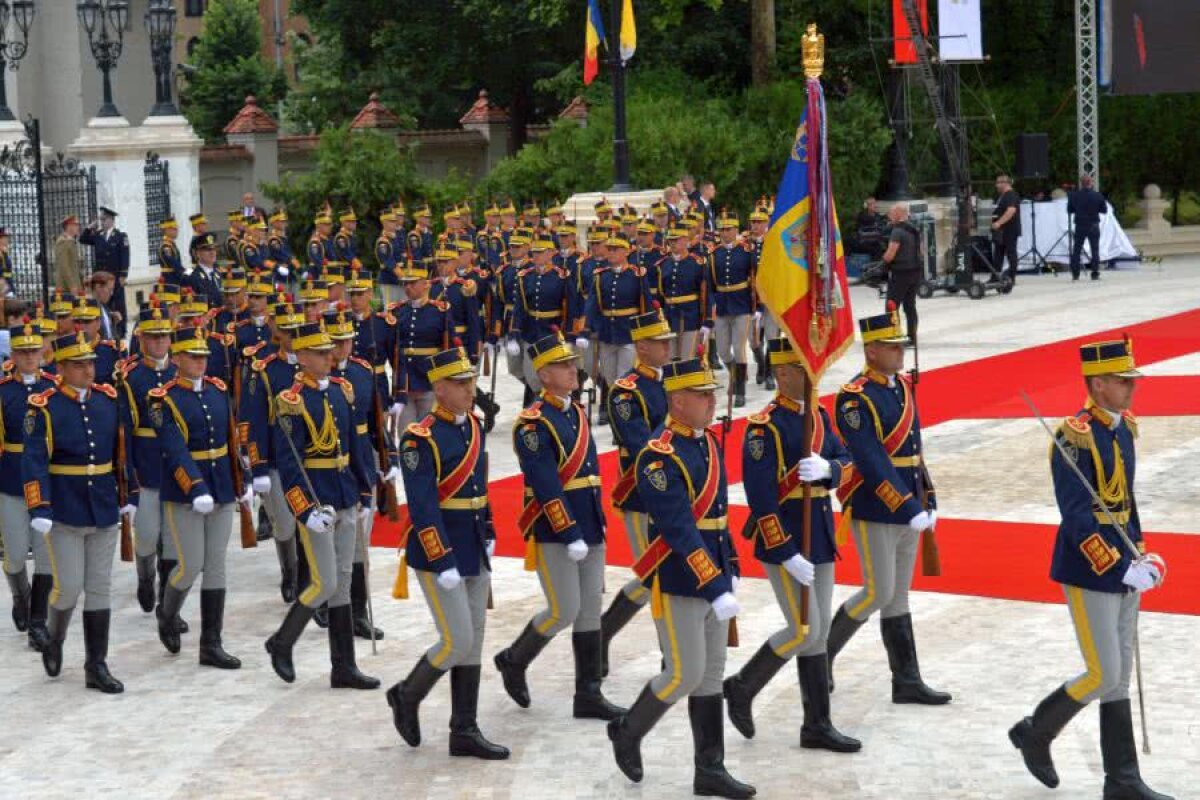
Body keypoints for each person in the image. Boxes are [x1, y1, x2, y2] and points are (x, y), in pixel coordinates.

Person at [1009, 338, 1173, 800]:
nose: (1132, 388)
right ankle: (1036, 732)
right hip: (1089, 567)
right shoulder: (1073, 435)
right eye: (1124, 381)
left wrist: (1141, 555)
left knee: (1118, 676)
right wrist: (1119, 566)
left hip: (1125, 562)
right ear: (1098, 384)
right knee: (1102, 673)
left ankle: (1121, 781)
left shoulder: (1122, 429)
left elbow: (1126, 502)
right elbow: (1078, 516)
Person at [608, 354, 754, 800]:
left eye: (712, 393)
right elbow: (678, 527)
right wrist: (713, 583)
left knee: (711, 673)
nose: (712, 401)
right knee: (683, 673)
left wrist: (730, 568)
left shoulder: (705, 441)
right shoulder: (657, 456)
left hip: (713, 567)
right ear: (676, 400)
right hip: (679, 574)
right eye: (702, 394)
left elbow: (718, 515)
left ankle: (709, 768)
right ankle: (628, 729)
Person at [724, 336, 860, 752]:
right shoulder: (764, 428)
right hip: (785, 539)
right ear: (782, 374)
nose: (811, 377)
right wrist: (785, 553)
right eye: (802, 370)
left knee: (815, 635)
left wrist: (830, 471)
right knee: (806, 629)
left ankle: (816, 725)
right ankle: (743, 686)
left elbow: (848, 460)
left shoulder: (817, 416)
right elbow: (761, 499)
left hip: (817, 533)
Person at [386, 343, 509, 760]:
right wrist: (442, 560)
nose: (469, 389)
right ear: (438, 388)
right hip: (440, 554)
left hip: (473, 545)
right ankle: (406, 694)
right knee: (456, 639)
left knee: (472, 642)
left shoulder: (473, 426)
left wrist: (489, 528)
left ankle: (464, 729)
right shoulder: (419, 439)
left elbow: (481, 486)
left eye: (470, 381)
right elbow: (422, 507)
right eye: (459, 384)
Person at [494, 330, 623, 722]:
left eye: (572, 364)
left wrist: (592, 526)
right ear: (543, 374)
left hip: (590, 521)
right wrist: (569, 532)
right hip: (557, 528)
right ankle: (514, 659)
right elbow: (546, 483)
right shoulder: (533, 424)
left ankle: (588, 693)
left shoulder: (575, 412)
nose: (573, 370)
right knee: (564, 609)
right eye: (564, 366)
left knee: (589, 611)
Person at [826, 312, 950, 706]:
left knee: (898, 597)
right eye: (893, 347)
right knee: (877, 591)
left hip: (910, 501)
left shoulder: (902, 387)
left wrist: (926, 496)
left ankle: (907, 679)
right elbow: (870, 457)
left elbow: (914, 449)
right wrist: (906, 504)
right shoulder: (854, 396)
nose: (900, 353)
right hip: (876, 504)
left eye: (901, 346)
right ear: (872, 350)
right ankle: (819, 658)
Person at [265, 321, 379, 689]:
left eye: (329, 351)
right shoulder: (291, 401)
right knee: (324, 581)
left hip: (345, 492)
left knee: (343, 582)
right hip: (317, 498)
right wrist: (303, 509)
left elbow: (354, 444)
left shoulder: (342, 391)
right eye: (319, 352)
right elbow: (289, 461)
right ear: (300, 357)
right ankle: (282, 642)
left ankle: (343, 666)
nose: (329, 357)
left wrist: (364, 491)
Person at [23, 332, 137, 693]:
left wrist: (128, 492)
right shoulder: (44, 406)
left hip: (102, 503)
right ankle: (55, 637)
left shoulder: (108, 401)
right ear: (60, 368)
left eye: (89, 362)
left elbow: (123, 451)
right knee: (69, 588)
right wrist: (39, 504)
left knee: (99, 587)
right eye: (78, 364)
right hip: (65, 506)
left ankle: (96, 664)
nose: (88, 369)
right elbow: (34, 460)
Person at [148, 324, 246, 669]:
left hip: (220, 487)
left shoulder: (218, 391)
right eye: (193, 357)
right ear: (176, 359)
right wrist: (196, 487)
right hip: (185, 491)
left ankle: (211, 643)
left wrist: (241, 478)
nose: (201, 362)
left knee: (216, 564)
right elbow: (174, 449)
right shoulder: (163, 400)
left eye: (203, 356)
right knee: (190, 565)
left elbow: (230, 439)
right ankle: (167, 611)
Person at [599, 306, 674, 676]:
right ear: (642, 348)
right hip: (642, 493)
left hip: (675, 491)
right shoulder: (625, 392)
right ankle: (666, 652)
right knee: (654, 576)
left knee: (661, 575)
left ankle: (667, 650)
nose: (668, 348)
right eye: (661, 343)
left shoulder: (672, 380)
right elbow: (642, 444)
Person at [326, 309, 390, 642]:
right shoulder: (315, 380)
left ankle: (358, 611)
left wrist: (386, 456)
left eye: (347, 340)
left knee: (359, 547)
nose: (343, 348)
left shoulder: (364, 372)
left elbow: (376, 417)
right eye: (336, 342)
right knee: (332, 546)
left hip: (362, 458)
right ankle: (330, 602)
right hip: (329, 465)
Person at [119, 304, 180, 622]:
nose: (158, 343)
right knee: (146, 535)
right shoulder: (130, 377)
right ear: (141, 339)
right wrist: (129, 475)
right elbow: (124, 432)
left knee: (173, 539)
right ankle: (145, 576)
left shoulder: (180, 372)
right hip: (146, 466)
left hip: (176, 467)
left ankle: (168, 605)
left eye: (163, 337)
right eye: (152, 337)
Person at [242, 297, 304, 603]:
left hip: (308, 461)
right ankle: (289, 572)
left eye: (298, 331)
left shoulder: (314, 366)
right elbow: (253, 421)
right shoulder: (263, 371)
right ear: (277, 333)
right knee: (284, 521)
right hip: (278, 462)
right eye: (288, 332)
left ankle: (308, 574)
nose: (294, 338)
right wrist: (258, 467)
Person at [0, 322, 57, 651]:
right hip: (11, 481)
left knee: (47, 557)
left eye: (33, 352)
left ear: (42, 353)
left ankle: (38, 622)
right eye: (22, 352)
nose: (29, 358)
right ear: (14, 355)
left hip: (46, 482)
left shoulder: (53, 388)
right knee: (17, 556)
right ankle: (21, 598)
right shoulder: (4, 392)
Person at [582, 235, 654, 425]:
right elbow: (592, 304)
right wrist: (587, 328)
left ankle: (623, 420)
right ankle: (617, 413)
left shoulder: (637, 275)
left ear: (626, 252)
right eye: (609, 249)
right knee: (609, 378)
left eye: (615, 250)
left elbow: (645, 306)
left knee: (624, 378)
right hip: (607, 333)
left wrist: (646, 334)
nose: (611, 253)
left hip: (629, 334)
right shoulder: (600, 276)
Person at [708, 212, 756, 406]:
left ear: (736, 230)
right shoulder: (714, 253)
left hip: (742, 304)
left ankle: (740, 391)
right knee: (722, 352)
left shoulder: (746, 251)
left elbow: (754, 279)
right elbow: (710, 283)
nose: (725, 233)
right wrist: (712, 305)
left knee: (738, 348)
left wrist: (756, 306)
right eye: (722, 230)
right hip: (722, 305)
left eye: (729, 229)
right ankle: (736, 375)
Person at [880, 203, 923, 344]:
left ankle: (894, 338)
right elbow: (921, 252)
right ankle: (912, 337)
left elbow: (890, 254)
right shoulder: (914, 229)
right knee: (910, 306)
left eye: (891, 213)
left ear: (899, 214)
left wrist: (880, 265)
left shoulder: (897, 231)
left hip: (900, 274)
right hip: (915, 273)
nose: (889, 216)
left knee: (891, 305)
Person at [80, 207, 130, 325]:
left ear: (111, 220)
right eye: (101, 220)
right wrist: (89, 227)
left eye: (104, 219)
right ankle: (104, 327)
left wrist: (123, 275)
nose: (102, 222)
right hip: (101, 278)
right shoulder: (98, 235)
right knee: (102, 303)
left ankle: (120, 330)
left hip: (115, 276)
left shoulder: (120, 236)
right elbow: (83, 239)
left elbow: (125, 256)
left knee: (118, 303)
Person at [1068, 175, 1108, 281]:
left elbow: (1070, 210)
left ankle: (1075, 274)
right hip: (1093, 224)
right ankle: (1095, 273)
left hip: (1080, 225)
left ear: (1081, 183)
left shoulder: (1074, 195)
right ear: (1091, 183)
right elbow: (1104, 210)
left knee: (1076, 249)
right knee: (1095, 249)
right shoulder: (1098, 195)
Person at [991, 174, 1022, 284]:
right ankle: (995, 277)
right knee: (998, 254)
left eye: (998, 183)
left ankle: (1011, 277)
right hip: (1001, 231)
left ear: (1005, 183)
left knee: (1011, 253)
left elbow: (1011, 211)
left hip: (1009, 230)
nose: (997, 186)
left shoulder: (1011, 195)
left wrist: (999, 222)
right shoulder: (1002, 196)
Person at [88, 271, 123, 341]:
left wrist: (114, 322)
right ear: (98, 287)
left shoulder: (105, 309)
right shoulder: (89, 309)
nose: (111, 293)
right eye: (110, 289)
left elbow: (112, 336)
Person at [54, 216, 83, 291]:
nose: (78, 227)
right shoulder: (63, 241)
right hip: (66, 287)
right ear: (69, 227)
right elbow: (64, 266)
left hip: (73, 285)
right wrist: (72, 285)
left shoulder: (70, 241)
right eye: (76, 225)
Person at [159, 217, 185, 284]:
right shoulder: (166, 246)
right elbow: (173, 262)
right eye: (174, 229)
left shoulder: (171, 244)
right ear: (167, 230)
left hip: (174, 278)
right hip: (169, 279)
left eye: (176, 229)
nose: (177, 231)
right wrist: (186, 272)